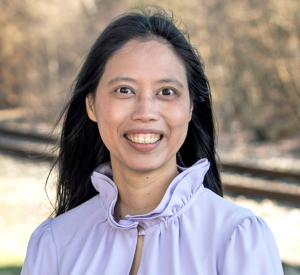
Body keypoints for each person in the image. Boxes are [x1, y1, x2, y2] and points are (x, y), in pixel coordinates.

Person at [21, 6, 284, 275]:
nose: (145, 113)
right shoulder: (54, 244)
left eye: (166, 92)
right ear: (91, 105)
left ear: (191, 107)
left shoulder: (237, 239)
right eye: (124, 90)